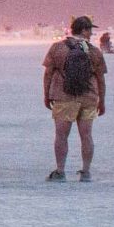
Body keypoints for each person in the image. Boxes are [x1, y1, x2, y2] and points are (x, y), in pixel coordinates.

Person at [42, 15, 107, 182]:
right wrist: (102, 100)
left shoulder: (57, 48)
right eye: (90, 29)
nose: (92, 33)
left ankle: (60, 171)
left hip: (64, 96)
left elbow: (48, 73)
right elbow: (100, 78)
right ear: (84, 30)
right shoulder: (94, 51)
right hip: (89, 97)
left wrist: (47, 95)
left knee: (61, 135)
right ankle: (86, 172)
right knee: (86, 135)